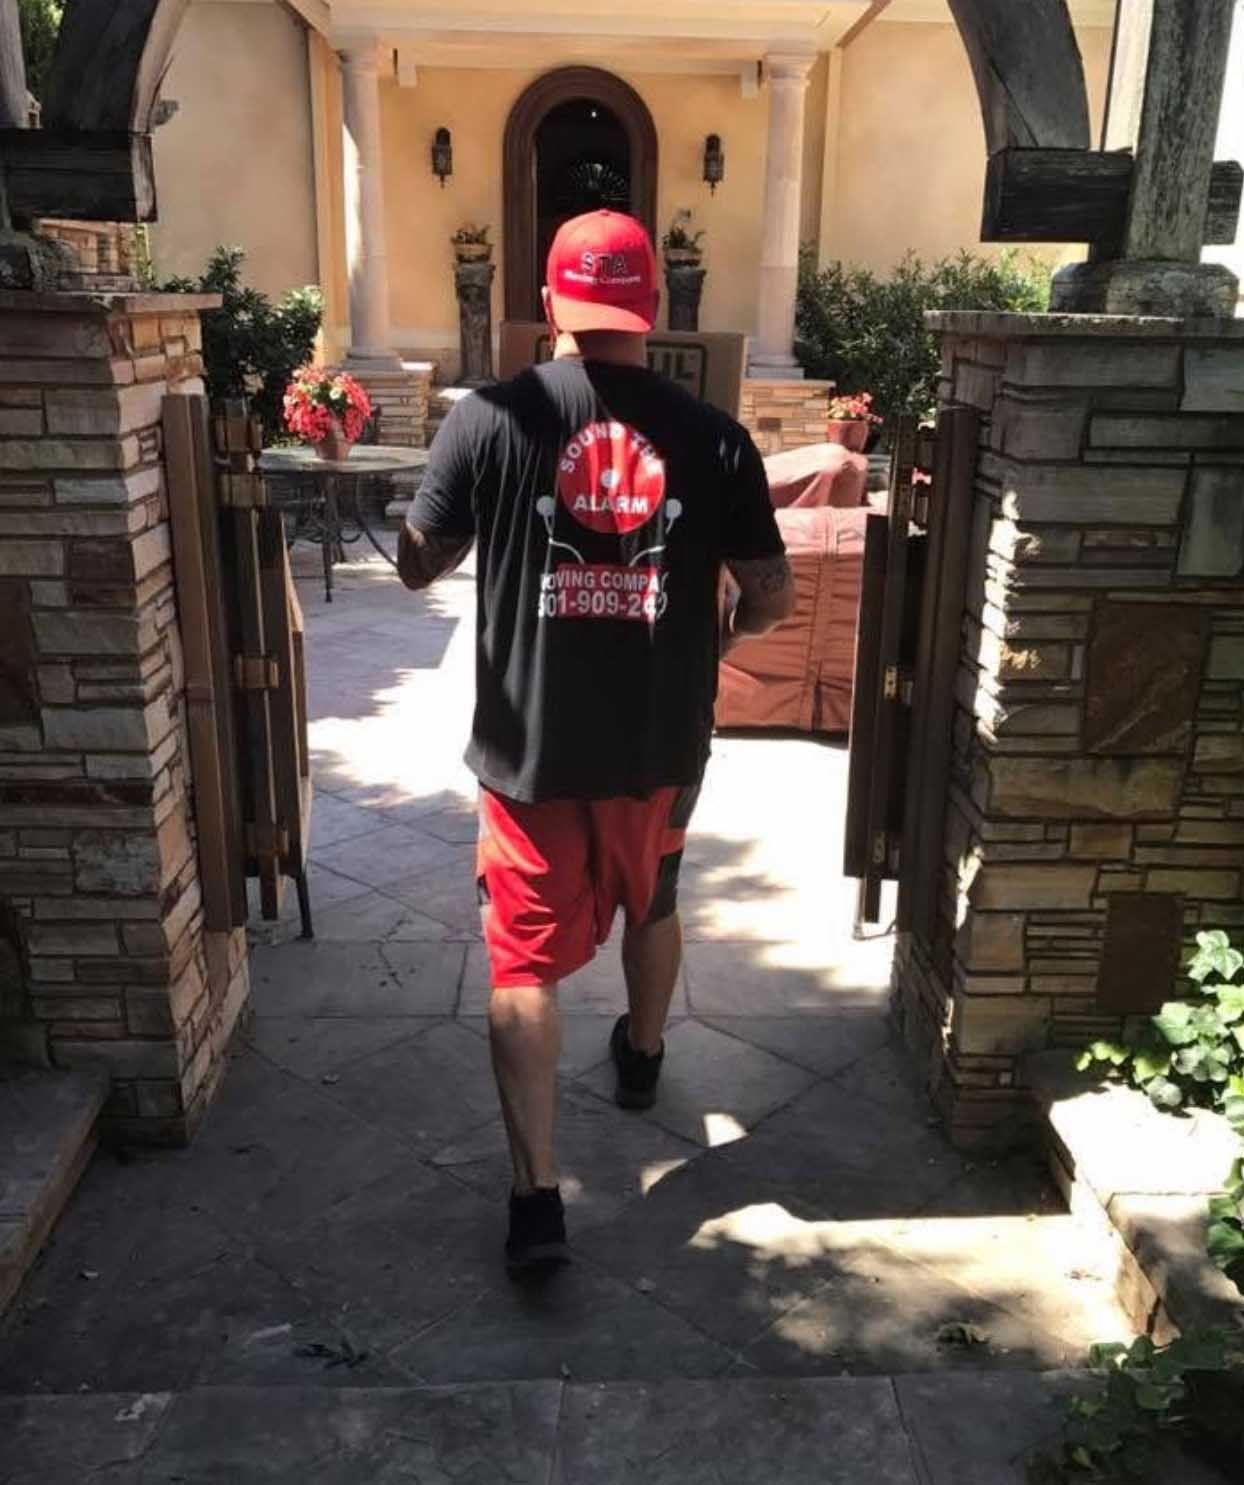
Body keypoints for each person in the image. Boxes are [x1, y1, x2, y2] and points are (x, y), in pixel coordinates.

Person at [398, 209, 795, 1276]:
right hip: (663, 741)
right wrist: (721, 625)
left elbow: (416, 563)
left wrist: (446, 512)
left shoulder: (488, 416)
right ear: (649, 308)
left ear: (551, 298)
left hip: (530, 750)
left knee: (521, 965)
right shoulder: (713, 433)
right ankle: (643, 1056)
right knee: (654, 898)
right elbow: (772, 595)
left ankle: (535, 1201)